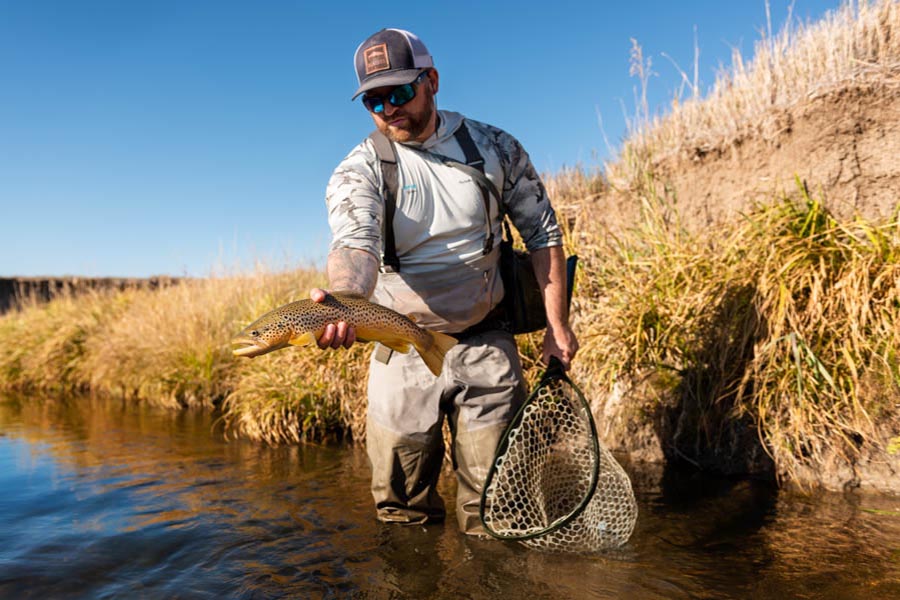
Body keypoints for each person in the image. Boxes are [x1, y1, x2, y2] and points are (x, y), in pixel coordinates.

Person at [311, 27, 578, 535]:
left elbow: (543, 235)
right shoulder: (358, 170)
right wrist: (343, 303)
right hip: (402, 352)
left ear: (431, 80)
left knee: (499, 510)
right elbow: (355, 245)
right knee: (401, 511)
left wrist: (556, 324)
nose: (389, 108)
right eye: (374, 99)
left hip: (487, 344)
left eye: (401, 92)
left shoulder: (495, 147)